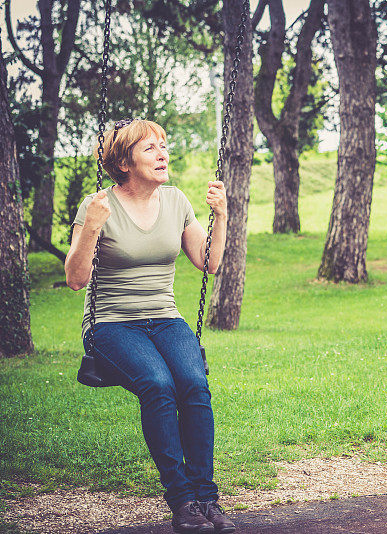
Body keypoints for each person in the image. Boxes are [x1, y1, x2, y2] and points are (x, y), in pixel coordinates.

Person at [65, 119, 235, 533]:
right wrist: (92, 226)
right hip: (112, 323)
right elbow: (75, 278)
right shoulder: (98, 205)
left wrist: (222, 214)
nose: (162, 154)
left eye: (164, 145)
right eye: (150, 148)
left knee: (194, 384)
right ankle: (182, 501)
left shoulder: (176, 201)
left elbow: (208, 263)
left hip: (165, 318)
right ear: (124, 161)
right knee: (158, 384)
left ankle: (207, 498)